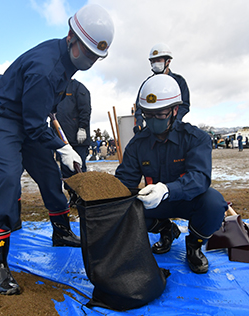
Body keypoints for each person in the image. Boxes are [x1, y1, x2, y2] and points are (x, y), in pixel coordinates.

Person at [0, 3, 114, 295]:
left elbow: (43, 111)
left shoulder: (66, 62)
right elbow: (32, 126)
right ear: (71, 37)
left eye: (96, 57)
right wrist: (62, 148)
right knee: (7, 178)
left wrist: (57, 135)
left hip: (30, 119)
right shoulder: (46, 68)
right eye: (88, 53)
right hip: (5, 118)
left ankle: (61, 231)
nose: (91, 61)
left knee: (50, 175)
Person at [116, 74, 227, 274]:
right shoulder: (137, 144)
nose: (153, 120)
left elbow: (200, 177)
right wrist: (97, 191)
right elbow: (125, 182)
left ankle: (194, 246)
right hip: (155, 203)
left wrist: (167, 190)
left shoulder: (195, 138)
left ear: (175, 110)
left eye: (160, 114)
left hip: (188, 200)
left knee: (214, 203)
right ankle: (165, 229)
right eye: (148, 114)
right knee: (124, 208)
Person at [133, 43, 190, 134]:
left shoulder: (179, 81)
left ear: (168, 61)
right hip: (152, 128)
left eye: (158, 60)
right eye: (153, 61)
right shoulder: (147, 84)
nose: (155, 64)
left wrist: (174, 121)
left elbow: (184, 105)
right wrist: (139, 123)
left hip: (173, 129)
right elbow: (139, 106)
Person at [55, 79, 91, 205]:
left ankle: (83, 196)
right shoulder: (56, 87)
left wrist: (82, 127)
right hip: (61, 139)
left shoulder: (78, 88)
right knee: (65, 169)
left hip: (77, 139)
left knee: (78, 168)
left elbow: (85, 109)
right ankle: (72, 195)